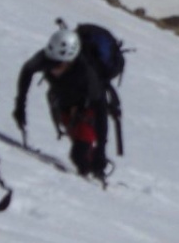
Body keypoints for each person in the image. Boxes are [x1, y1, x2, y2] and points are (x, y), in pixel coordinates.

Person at [12, 24, 112, 181]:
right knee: (80, 151)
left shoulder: (86, 73)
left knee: (79, 154)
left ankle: (93, 178)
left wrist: (101, 149)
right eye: (51, 64)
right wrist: (20, 105)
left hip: (88, 110)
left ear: (70, 60)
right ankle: (92, 170)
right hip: (65, 105)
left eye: (58, 65)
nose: (52, 69)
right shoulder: (47, 58)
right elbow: (27, 71)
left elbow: (101, 110)